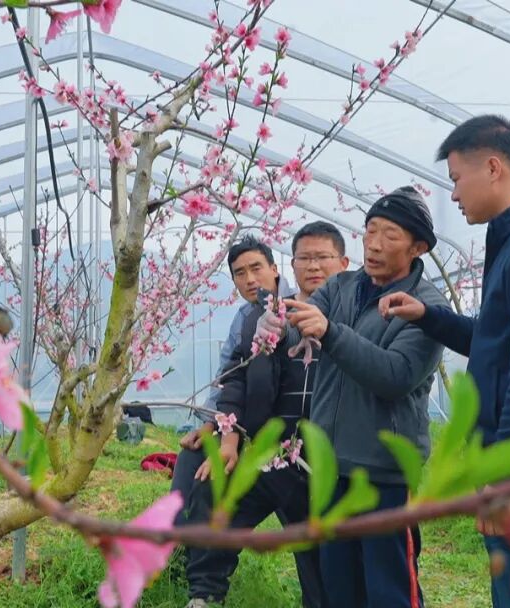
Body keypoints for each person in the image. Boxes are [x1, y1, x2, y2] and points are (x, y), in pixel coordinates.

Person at [379, 115, 510, 608]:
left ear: (493, 168)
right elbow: (498, 343)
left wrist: (507, 476)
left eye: (456, 178)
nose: (453, 194)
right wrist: (429, 316)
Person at [279, 187, 449, 608]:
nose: (373, 244)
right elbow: (302, 327)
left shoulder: (427, 307)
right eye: (370, 230)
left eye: (389, 235)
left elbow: (395, 375)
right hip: (330, 468)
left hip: (383, 474)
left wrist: (330, 333)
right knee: (340, 588)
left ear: (418, 247)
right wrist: (281, 323)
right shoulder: (342, 286)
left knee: (389, 590)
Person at [183, 222, 349, 608]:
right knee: (217, 496)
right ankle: (204, 594)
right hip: (273, 450)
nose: (313, 266)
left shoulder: (353, 317)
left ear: (343, 263)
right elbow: (236, 378)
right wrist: (229, 438)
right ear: (291, 265)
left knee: (320, 561)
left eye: (322, 257)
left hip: (327, 458)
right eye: (305, 258)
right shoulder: (265, 318)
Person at [171, 235, 291, 526]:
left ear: (274, 269)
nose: (250, 279)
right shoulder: (244, 316)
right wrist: (212, 423)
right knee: (191, 457)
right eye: (240, 273)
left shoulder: (298, 306)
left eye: (256, 268)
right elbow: (227, 374)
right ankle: (177, 537)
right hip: (245, 426)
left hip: (287, 434)